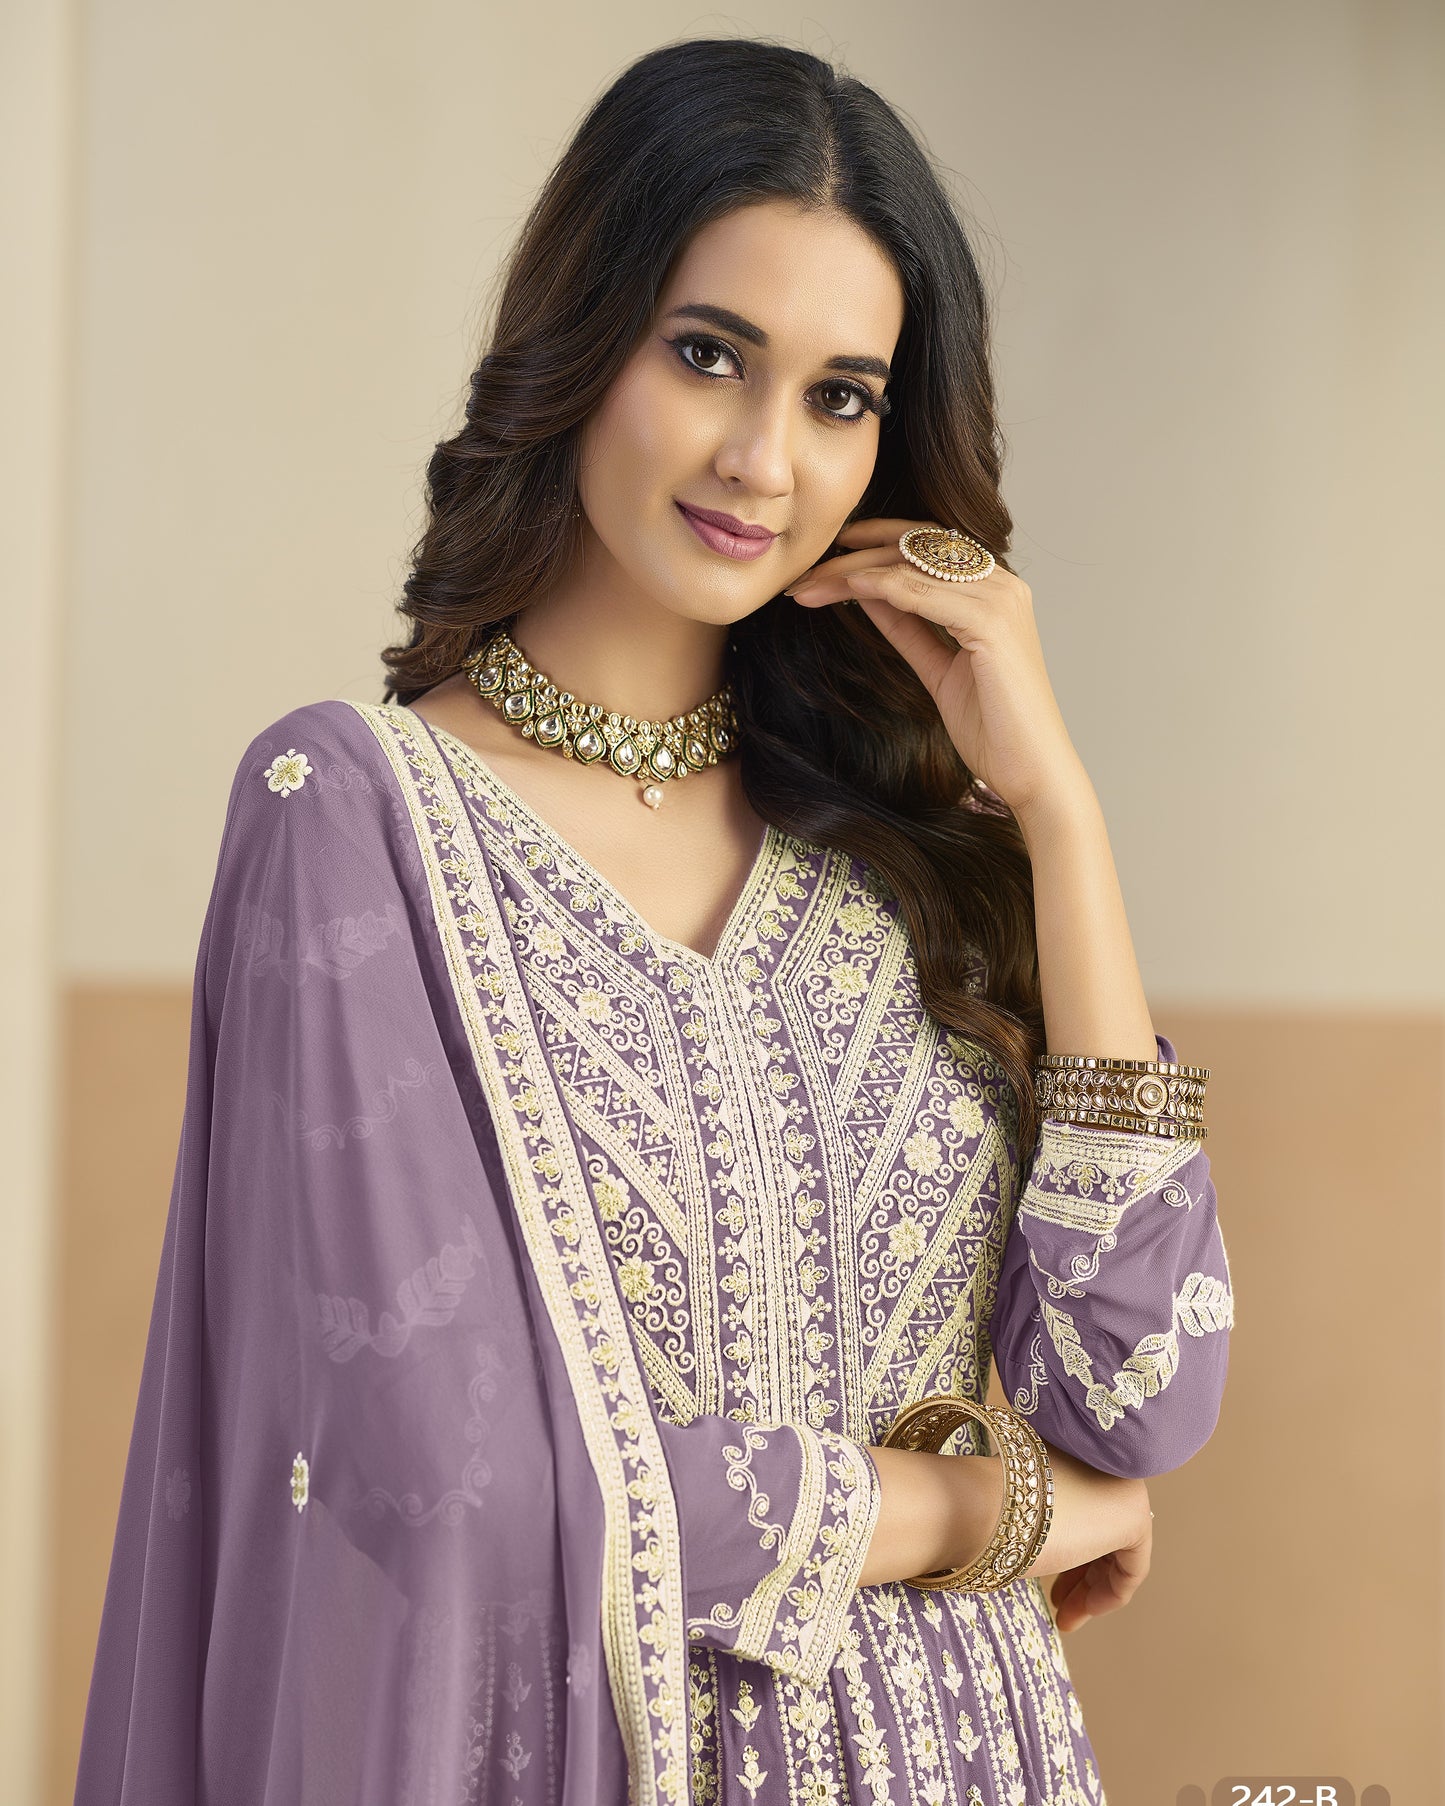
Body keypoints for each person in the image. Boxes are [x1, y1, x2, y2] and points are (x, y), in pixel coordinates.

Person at [73, 36, 1233, 1806]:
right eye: (709, 355)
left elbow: (1134, 1391)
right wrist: (963, 1509)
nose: (765, 458)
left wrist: (1057, 818)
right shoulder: (359, 823)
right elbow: (450, 1481)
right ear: (584, 336)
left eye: (842, 394)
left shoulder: (900, 853)